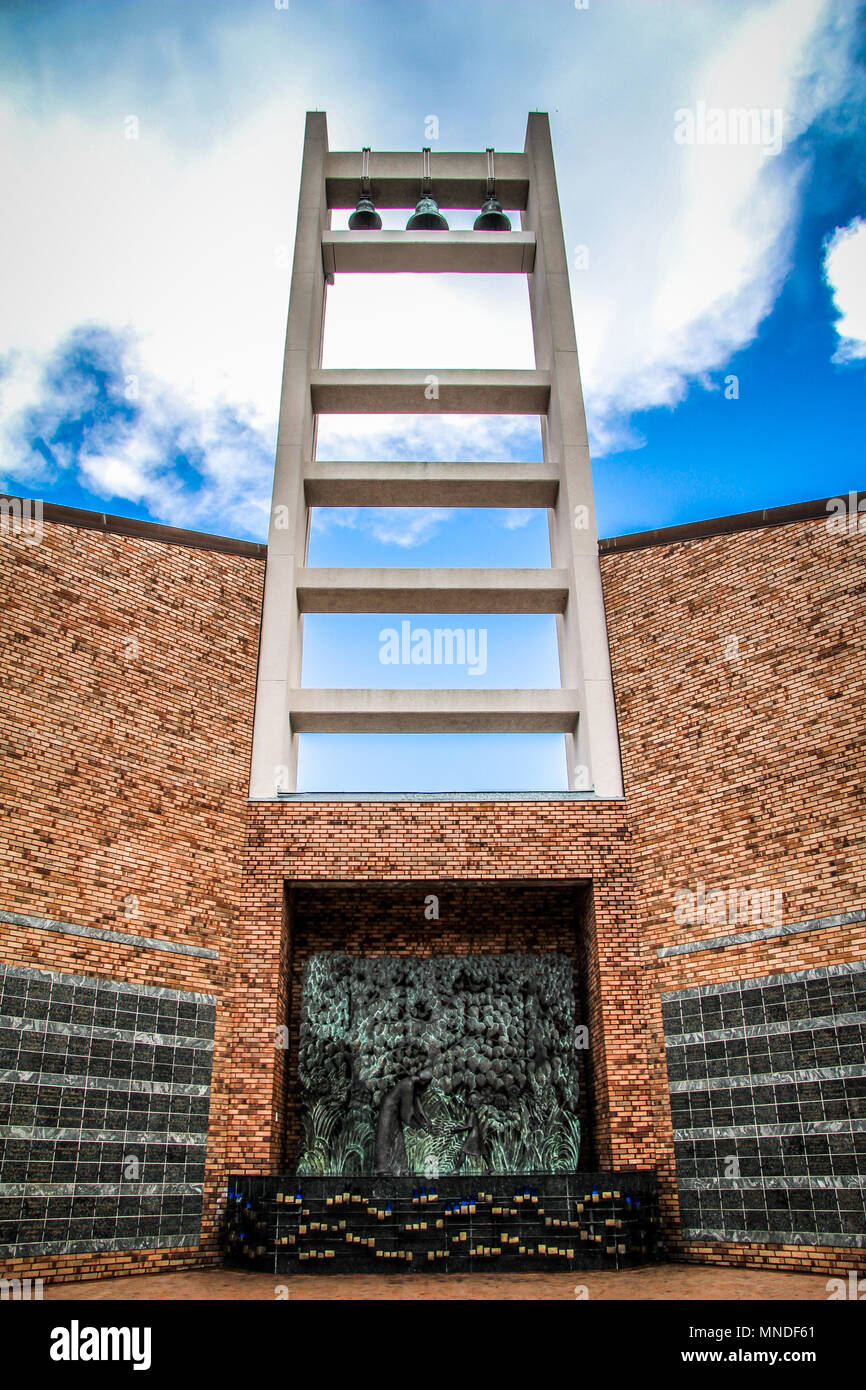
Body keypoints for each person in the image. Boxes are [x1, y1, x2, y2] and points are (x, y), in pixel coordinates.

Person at [373, 1068, 433, 1175]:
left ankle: (401, 1168)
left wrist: (425, 1118)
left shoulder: (413, 1083)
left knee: (398, 1137)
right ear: (423, 1082)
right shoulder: (408, 1085)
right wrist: (420, 1126)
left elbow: (417, 1102)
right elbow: (406, 1115)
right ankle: (382, 1167)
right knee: (385, 1136)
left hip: (394, 1111)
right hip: (389, 1110)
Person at [451, 1103, 487, 1174]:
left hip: (473, 1135)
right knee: (482, 1151)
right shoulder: (474, 1113)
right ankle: (491, 1167)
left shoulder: (472, 1113)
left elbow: (469, 1126)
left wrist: (457, 1129)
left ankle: (457, 1169)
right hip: (477, 1134)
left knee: (464, 1151)